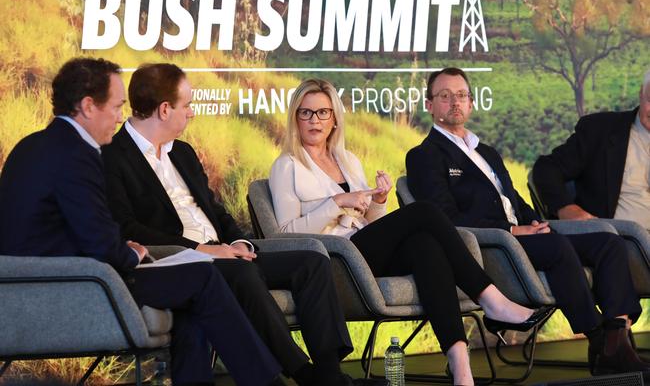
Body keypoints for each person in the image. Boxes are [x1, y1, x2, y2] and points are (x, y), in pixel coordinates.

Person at [0, 58, 282, 386]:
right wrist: (133, 253)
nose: (122, 117)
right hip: (75, 285)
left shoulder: (33, 145)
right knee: (202, 278)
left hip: (41, 283)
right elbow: (101, 243)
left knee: (190, 291)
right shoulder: (78, 154)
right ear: (89, 106)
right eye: (117, 106)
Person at [101, 63, 378, 386]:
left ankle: (330, 375)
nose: (191, 113)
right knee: (242, 273)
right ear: (165, 109)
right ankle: (302, 372)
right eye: (188, 105)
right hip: (183, 261)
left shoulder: (184, 153)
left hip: (223, 252)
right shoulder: (113, 156)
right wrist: (203, 249)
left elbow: (216, 212)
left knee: (313, 261)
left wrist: (239, 243)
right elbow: (128, 228)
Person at [268, 78, 550, 386]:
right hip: (333, 258)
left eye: (322, 112)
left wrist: (378, 201)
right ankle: (491, 298)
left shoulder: (347, 160)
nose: (314, 120)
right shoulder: (287, 165)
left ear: (335, 118)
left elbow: (372, 223)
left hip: (362, 250)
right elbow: (284, 234)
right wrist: (336, 202)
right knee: (425, 211)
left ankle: (460, 363)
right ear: (295, 118)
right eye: (305, 113)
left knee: (425, 245)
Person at [405, 67, 647, 376]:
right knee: (556, 246)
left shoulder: (487, 152)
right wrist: (511, 230)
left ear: (471, 103)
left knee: (609, 241)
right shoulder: (424, 155)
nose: (455, 102)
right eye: (445, 96)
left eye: (462, 95)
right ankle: (598, 338)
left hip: (527, 236)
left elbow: (514, 200)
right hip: (491, 245)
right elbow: (444, 218)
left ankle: (617, 338)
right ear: (429, 105)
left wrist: (535, 222)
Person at [532, 70, 650, 229]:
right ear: (641, 93)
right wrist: (565, 208)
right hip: (621, 241)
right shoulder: (600, 130)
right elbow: (546, 168)